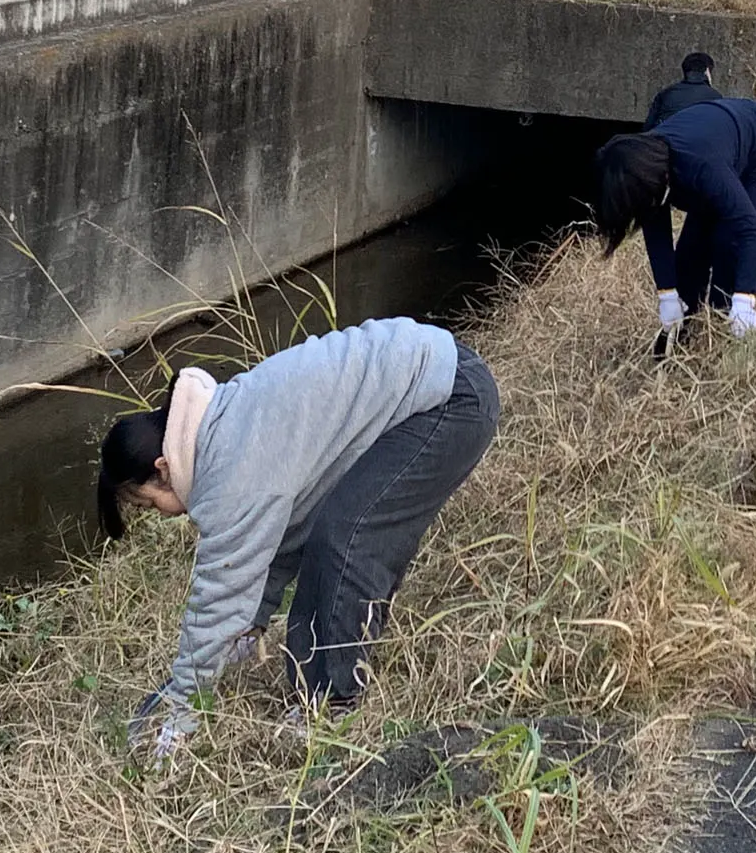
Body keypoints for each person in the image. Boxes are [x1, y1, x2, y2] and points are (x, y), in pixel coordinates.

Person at [98, 317, 500, 753]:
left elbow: (218, 597)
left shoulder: (228, 468)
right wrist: (251, 624)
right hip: (438, 378)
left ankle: (333, 703)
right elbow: (286, 534)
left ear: (161, 468)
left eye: (145, 503)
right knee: (329, 529)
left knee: (348, 537)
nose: (156, 513)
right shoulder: (220, 428)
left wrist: (181, 711)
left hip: (448, 398)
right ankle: (316, 691)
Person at [594, 94, 756, 349]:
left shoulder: (699, 165)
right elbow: (656, 231)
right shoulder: (648, 165)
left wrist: (745, 298)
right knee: (689, 254)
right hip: (729, 159)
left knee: (727, 239)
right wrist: (667, 294)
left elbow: (748, 230)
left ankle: (725, 330)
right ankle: (680, 336)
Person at [644, 51, 722, 129]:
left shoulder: (666, 93)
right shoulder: (716, 98)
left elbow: (648, 127)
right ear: (707, 71)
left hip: (664, 138)